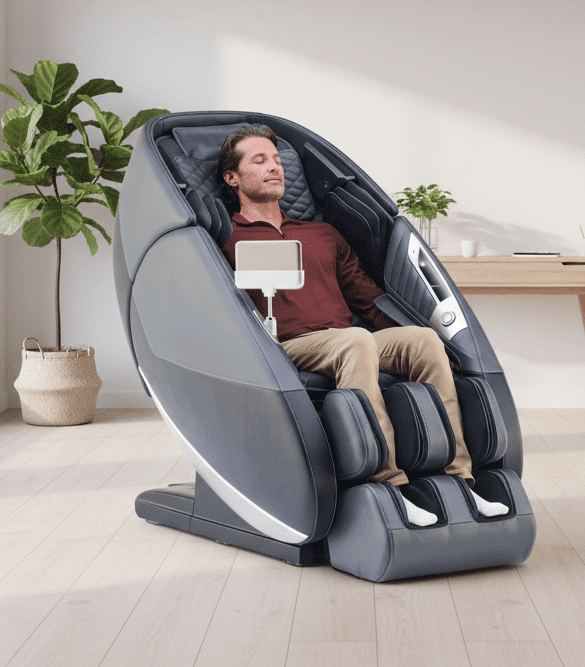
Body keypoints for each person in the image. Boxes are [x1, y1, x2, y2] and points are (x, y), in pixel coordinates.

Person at [218, 124, 508, 526]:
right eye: (259, 160)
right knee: (356, 341)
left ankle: (460, 480)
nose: (275, 167)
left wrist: (448, 350)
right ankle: (388, 485)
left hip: (347, 338)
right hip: (285, 345)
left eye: (278, 159)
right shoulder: (227, 238)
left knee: (423, 340)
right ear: (233, 178)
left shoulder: (321, 233)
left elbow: (366, 297)